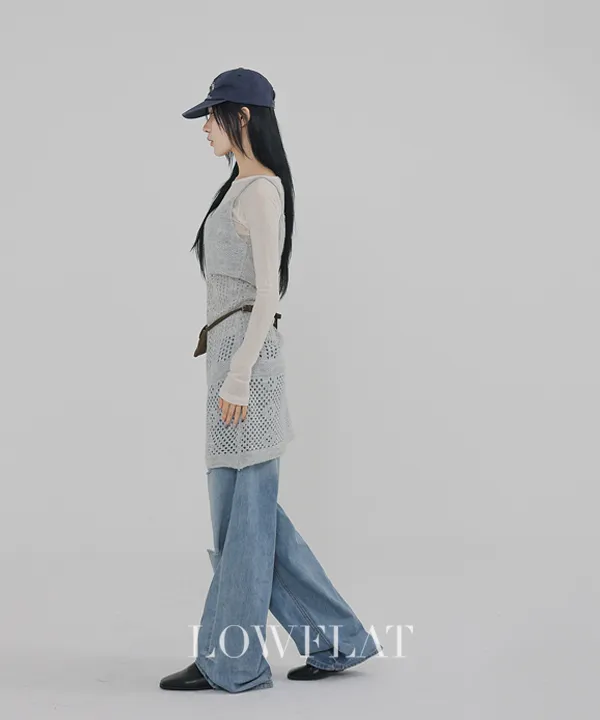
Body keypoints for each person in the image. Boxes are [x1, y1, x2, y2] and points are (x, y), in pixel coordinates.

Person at [159, 67, 382, 694]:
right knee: (249, 517)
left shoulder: (260, 191)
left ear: (243, 117)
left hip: (246, 367)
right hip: (230, 359)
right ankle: (338, 640)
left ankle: (231, 661)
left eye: (212, 116)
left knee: (244, 521)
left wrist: (237, 377)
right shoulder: (237, 186)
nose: (205, 128)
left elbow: (267, 293)